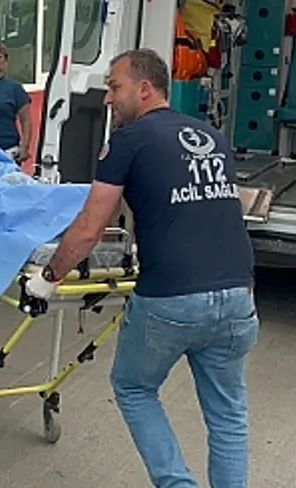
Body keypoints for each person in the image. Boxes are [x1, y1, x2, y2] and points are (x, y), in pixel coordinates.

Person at [25, 48, 259, 488]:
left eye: (114, 88)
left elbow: (90, 229)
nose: (107, 99)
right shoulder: (212, 137)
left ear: (145, 89)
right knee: (228, 414)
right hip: (237, 294)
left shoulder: (129, 140)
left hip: (172, 298)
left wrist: (47, 278)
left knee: (134, 387)